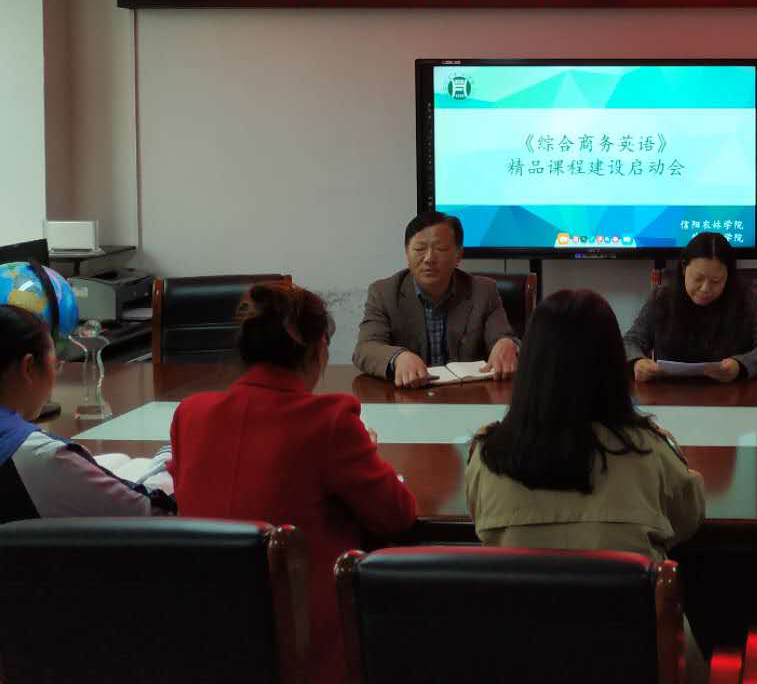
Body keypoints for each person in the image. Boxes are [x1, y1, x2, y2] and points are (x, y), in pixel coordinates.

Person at [171, 282, 417, 684]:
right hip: (308, 648)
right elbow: (397, 515)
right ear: (319, 350)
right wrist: (364, 452)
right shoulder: (329, 421)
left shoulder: (190, 414)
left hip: (208, 641)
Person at [467, 288, 707, 681]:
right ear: (611, 365)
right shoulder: (644, 448)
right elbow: (686, 519)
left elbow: (480, 525)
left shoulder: (488, 453)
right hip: (638, 661)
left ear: (531, 363)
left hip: (519, 658)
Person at [0, 304, 176, 522]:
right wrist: (170, 456)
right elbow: (152, 514)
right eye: (55, 364)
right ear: (28, 367)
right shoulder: (42, 456)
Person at [353, 211, 519, 387]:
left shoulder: (483, 291)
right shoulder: (384, 293)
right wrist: (398, 357)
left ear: (458, 255)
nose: (429, 258)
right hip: (410, 396)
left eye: (440, 249)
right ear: (407, 253)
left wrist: (507, 344)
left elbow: (504, 338)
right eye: (419, 249)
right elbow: (365, 349)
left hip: (469, 394)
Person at [625, 232, 757, 382]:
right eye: (698, 278)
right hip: (670, 392)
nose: (705, 288)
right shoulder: (661, 297)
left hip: (729, 393)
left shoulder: (745, 298)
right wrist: (637, 362)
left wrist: (740, 366)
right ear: (684, 268)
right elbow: (630, 342)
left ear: (728, 276)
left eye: (716, 280)